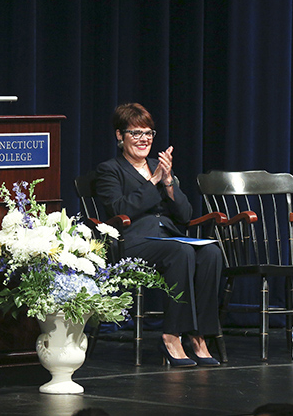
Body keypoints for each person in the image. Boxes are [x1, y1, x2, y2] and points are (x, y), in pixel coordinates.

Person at [95, 103, 223, 367]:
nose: (144, 140)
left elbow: (185, 215)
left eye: (149, 134)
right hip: (131, 242)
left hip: (168, 237)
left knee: (211, 252)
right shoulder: (109, 170)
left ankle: (198, 335)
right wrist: (153, 182)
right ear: (120, 135)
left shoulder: (159, 166)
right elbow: (119, 210)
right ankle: (171, 335)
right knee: (181, 251)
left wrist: (168, 182)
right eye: (136, 133)